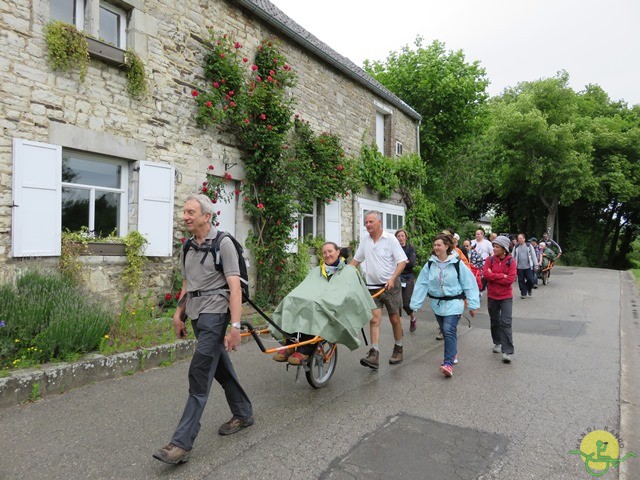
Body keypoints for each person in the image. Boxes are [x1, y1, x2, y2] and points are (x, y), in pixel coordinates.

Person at [153, 194, 253, 465]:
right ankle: (243, 412)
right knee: (219, 367)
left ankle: (180, 444)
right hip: (197, 314)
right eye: (184, 211)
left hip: (216, 313)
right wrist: (178, 314)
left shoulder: (224, 244)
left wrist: (234, 325)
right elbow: (188, 285)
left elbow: (234, 287)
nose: (185, 216)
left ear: (206, 216)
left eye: (190, 212)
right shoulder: (187, 247)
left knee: (199, 371)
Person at [270, 242, 376, 363]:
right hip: (316, 300)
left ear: (338, 252)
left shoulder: (349, 271)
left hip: (333, 304)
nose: (327, 255)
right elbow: (306, 287)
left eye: (330, 251)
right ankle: (289, 343)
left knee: (315, 307)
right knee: (291, 300)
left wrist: (330, 299)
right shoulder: (317, 271)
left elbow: (352, 294)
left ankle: (305, 348)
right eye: (324, 252)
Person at [410, 233, 480, 377]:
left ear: (446, 246)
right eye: (434, 245)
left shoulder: (457, 263)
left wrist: (473, 304)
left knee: (448, 329)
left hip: (455, 302)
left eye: (439, 245)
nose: (436, 247)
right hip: (437, 303)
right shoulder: (430, 264)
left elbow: (469, 283)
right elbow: (422, 284)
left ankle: (448, 363)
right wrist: (415, 304)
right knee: (446, 329)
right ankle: (452, 352)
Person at [351, 211, 408, 369]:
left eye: (371, 222)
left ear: (379, 223)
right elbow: (356, 260)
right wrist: (344, 275)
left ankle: (398, 348)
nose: (368, 225)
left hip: (390, 287)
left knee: (394, 319)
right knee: (374, 320)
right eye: (366, 222)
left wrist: (392, 278)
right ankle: (374, 354)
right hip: (372, 288)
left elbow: (402, 262)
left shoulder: (390, 239)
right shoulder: (365, 240)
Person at [482, 235, 517, 363]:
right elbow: (486, 274)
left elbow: (510, 280)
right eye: (494, 246)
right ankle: (497, 342)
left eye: (497, 247)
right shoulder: (489, 260)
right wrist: (501, 275)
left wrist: (494, 275)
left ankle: (507, 351)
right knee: (494, 321)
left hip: (506, 297)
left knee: (506, 322)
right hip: (492, 296)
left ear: (504, 249)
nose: (494, 249)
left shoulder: (511, 262)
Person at [395, 229, 419, 333]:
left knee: (406, 303)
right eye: (398, 236)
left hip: (408, 278)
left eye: (402, 236)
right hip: (396, 277)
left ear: (406, 237)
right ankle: (398, 327)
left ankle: (413, 318)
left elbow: (412, 264)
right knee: (396, 304)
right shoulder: (394, 249)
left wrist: (401, 263)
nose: (400, 238)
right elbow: (391, 263)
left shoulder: (410, 249)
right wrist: (405, 261)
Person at [512, 233, 539, 299]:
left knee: (531, 280)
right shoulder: (516, 247)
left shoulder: (529, 246)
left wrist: (536, 265)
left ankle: (528, 289)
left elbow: (533, 256)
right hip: (519, 267)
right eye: (518, 238)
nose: (519, 240)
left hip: (528, 267)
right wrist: (512, 266)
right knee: (521, 281)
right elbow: (512, 257)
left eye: (521, 238)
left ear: (524, 239)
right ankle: (523, 293)